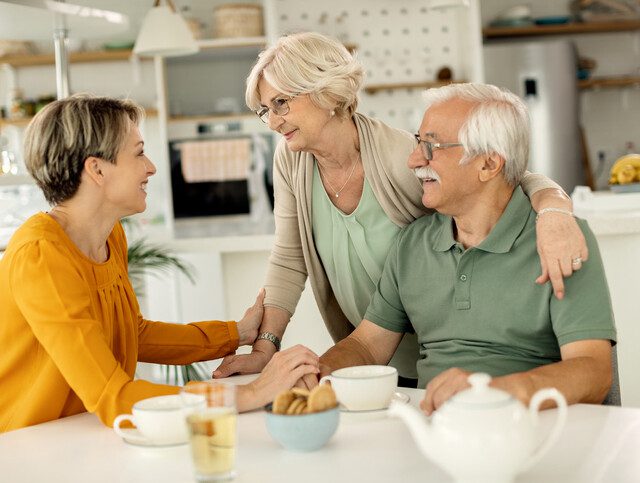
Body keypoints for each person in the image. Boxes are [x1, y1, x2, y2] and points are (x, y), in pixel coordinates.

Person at [213, 32, 589, 388]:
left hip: (434, 356)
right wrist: (265, 348)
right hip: (364, 351)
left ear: (325, 92)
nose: (274, 121)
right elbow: (289, 256)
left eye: (282, 102)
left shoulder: (398, 157)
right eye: (265, 110)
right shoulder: (291, 160)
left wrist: (555, 210)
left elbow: (504, 175)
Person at [0, 95, 319, 433]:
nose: (150, 166)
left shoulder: (110, 237)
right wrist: (252, 393)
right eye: (138, 153)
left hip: (79, 433)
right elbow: (115, 396)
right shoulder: (41, 255)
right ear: (96, 169)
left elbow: (133, 334)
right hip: (26, 446)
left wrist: (235, 333)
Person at [317, 83, 616, 412]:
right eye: (418, 143)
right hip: (433, 429)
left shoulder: (560, 240)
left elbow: (593, 372)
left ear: (488, 164)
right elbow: (367, 345)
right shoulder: (412, 243)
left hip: (528, 428)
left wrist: (490, 392)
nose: (414, 160)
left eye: (431, 146)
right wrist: (315, 372)